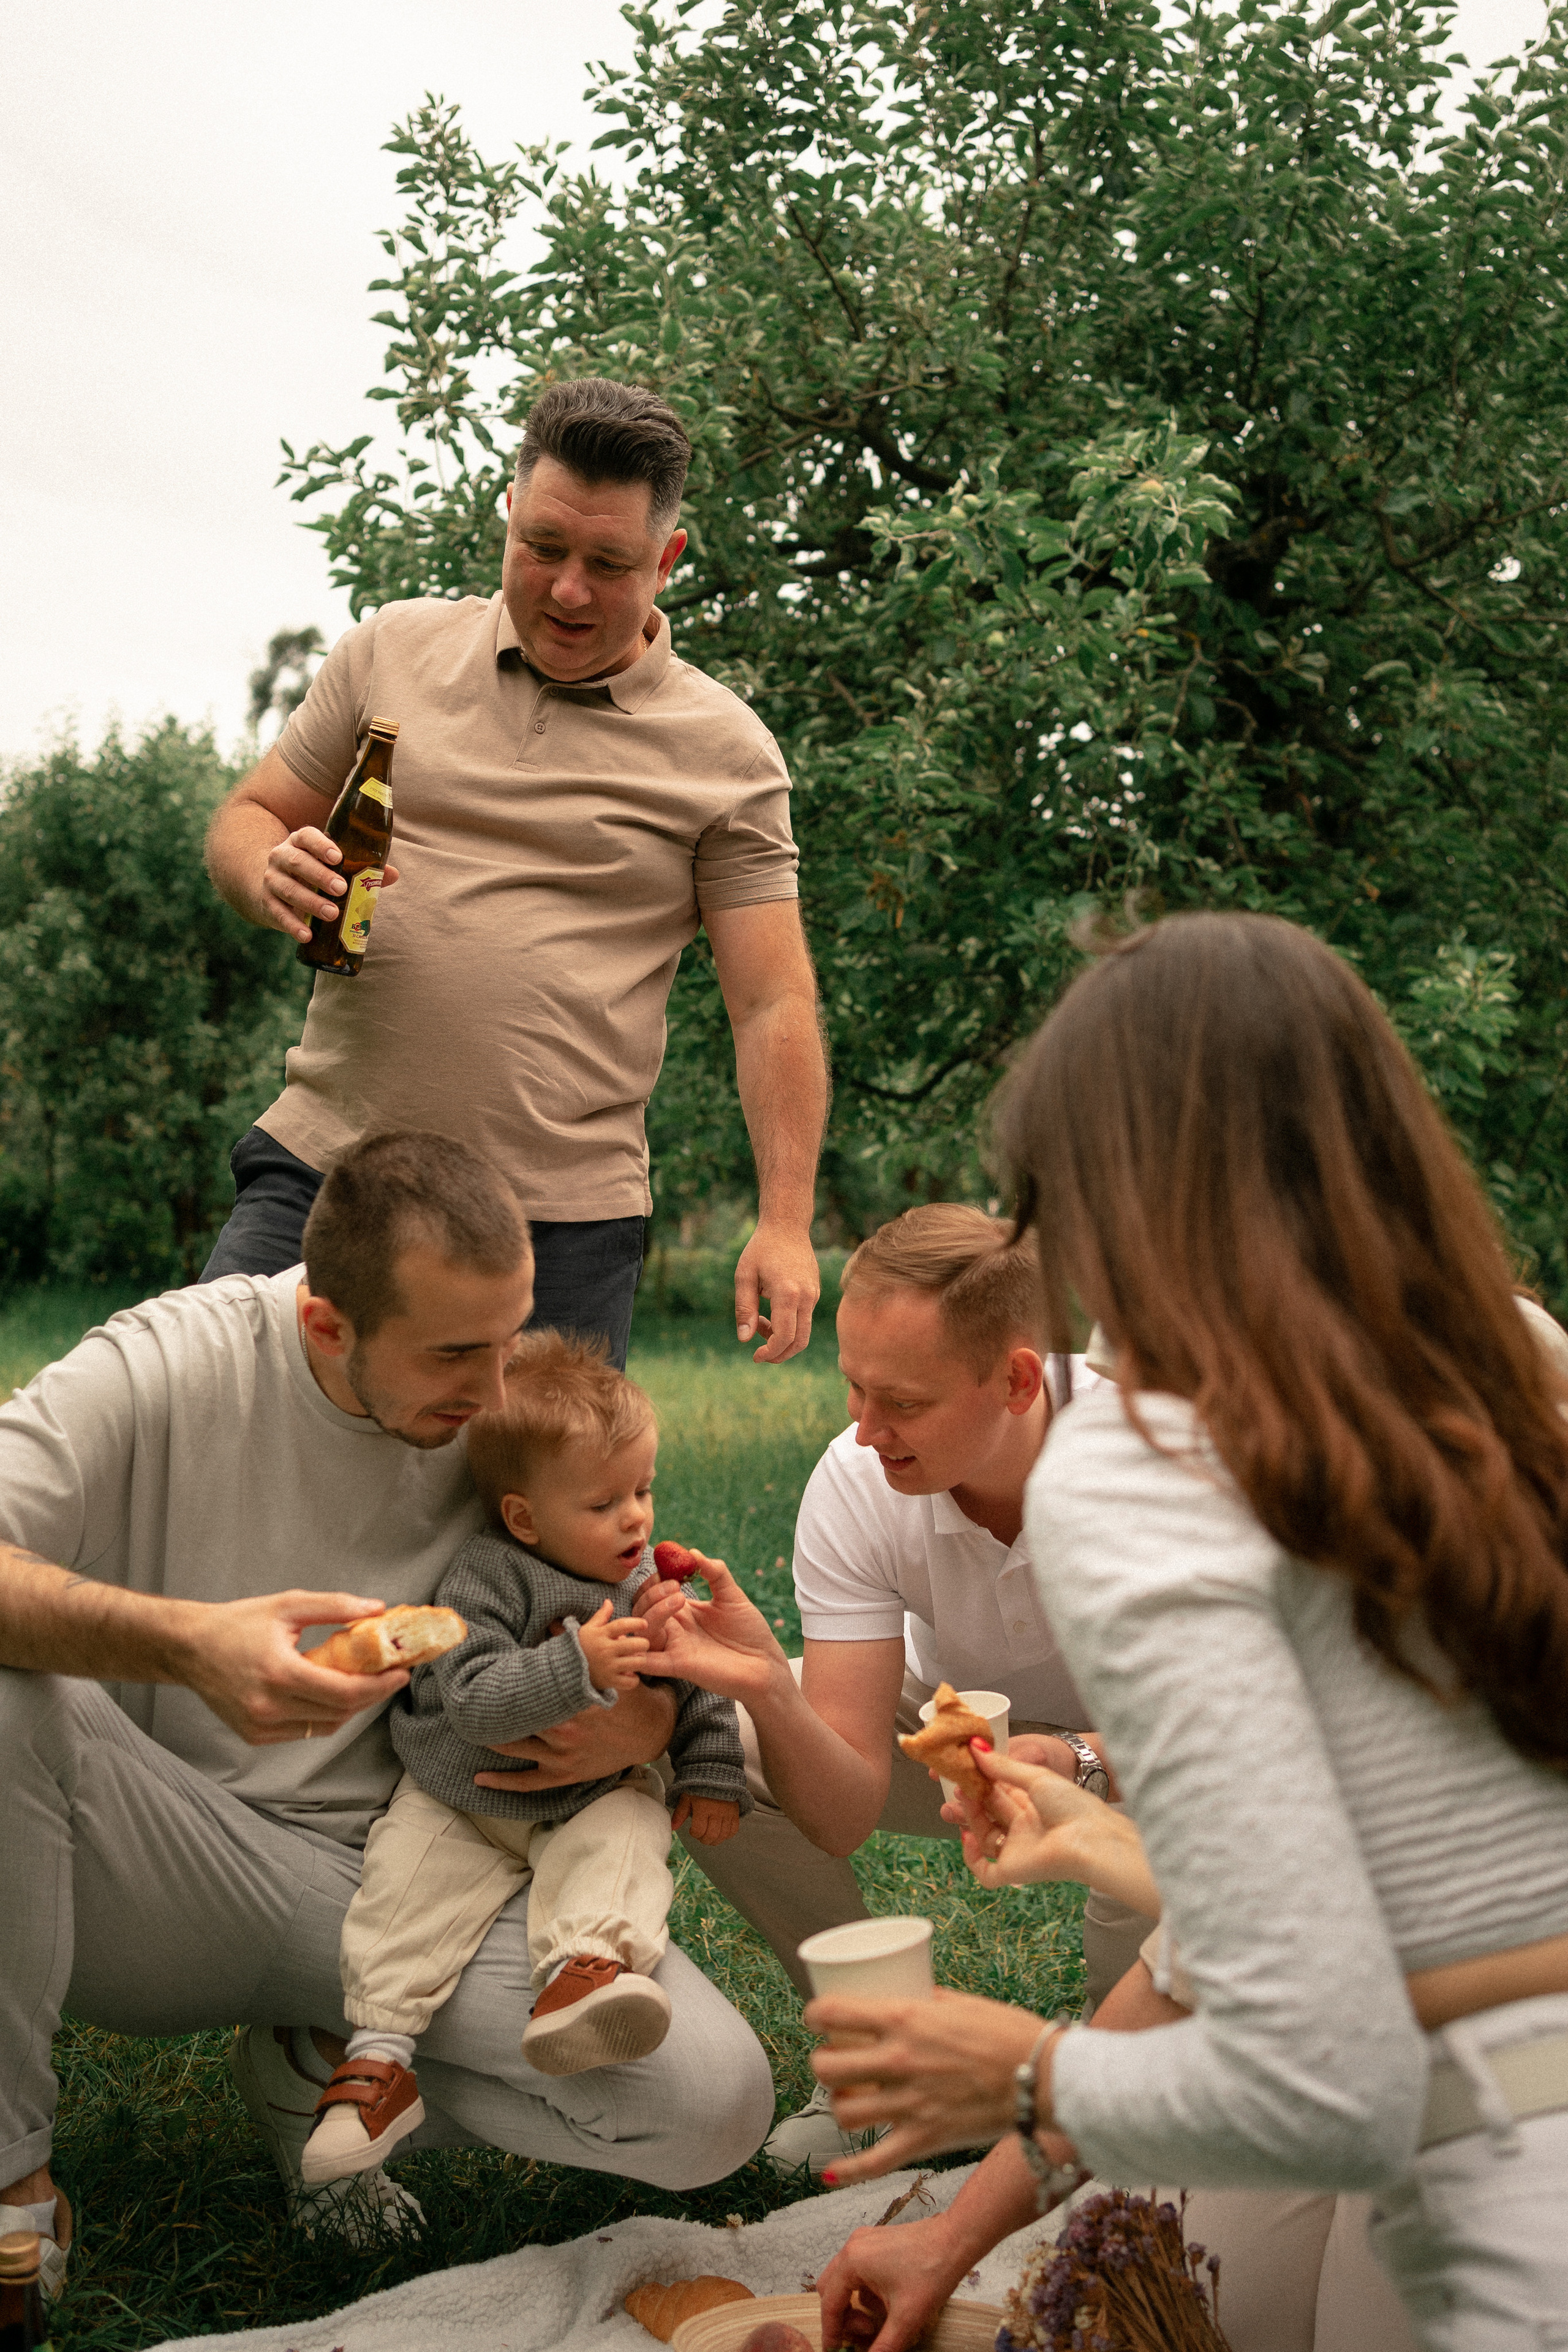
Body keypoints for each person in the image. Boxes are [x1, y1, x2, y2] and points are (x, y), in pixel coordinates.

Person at [802, 913, 1568, 2348]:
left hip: (1495, 2177)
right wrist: (966, 2227)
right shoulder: (1519, 1359)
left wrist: (1023, 2070)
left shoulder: (1137, 1471)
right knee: (1136, 2283)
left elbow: (1317, 2081)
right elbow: (1234, 1952)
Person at [0, 1130, 774, 2296]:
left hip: (420, 1861)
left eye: (512, 1338)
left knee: (711, 2107)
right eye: (459, 1353)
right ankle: (14, 2183)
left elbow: (621, 1600)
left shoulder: (503, 1418)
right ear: (328, 1326)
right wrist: (187, 1646)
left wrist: (656, 1726)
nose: (496, 1391)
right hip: (166, 1863)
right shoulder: (170, 1362)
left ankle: (319, 2060)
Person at [203, 376, 827, 1370]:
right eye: (543, 548)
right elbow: (248, 817)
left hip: (560, 1231)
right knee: (200, 1434)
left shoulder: (727, 754)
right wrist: (265, 871)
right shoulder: (390, 650)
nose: (568, 588)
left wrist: (786, 1222)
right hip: (328, 1174)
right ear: (508, 515)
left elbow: (771, 1001)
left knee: (525, 1524)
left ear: (667, 560)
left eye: (607, 562)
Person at [671, 1205, 1145, 2171]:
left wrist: (1082, 1765)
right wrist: (764, 1681)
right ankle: (883, 2065)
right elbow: (841, 1808)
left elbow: (1254, 1745)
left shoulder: (1148, 1464)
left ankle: (1106, 2059)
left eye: (903, 1402)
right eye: (853, 1386)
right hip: (943, 1737)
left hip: (1150, 1762)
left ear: (1018, 1380)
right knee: (715, 1735)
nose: (863, 1426)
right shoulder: (857, 1481)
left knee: (1128, 2105)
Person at [304, 1330, 746, 2183]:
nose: (636, 1517)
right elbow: (470, 1696)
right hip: (460, 1799)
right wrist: (576, 1667)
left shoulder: (645, 1588)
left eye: (644, 1490)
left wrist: (713, 1771)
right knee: (405, 1889)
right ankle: (379, 2060)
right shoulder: (487, 1578)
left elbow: (702, 1689)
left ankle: (584, 1975)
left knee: (627, 1832)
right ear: (523, 1516)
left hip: (584, 1802)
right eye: (604, 1502)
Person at [813, 1746, 1420, 2352]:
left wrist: (1056, 2075)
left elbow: (1411, 1970)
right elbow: (1194, 1963)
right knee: (1215, 2313)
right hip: (1346, 2044)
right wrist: (949, 2237)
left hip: (1470, 2088)